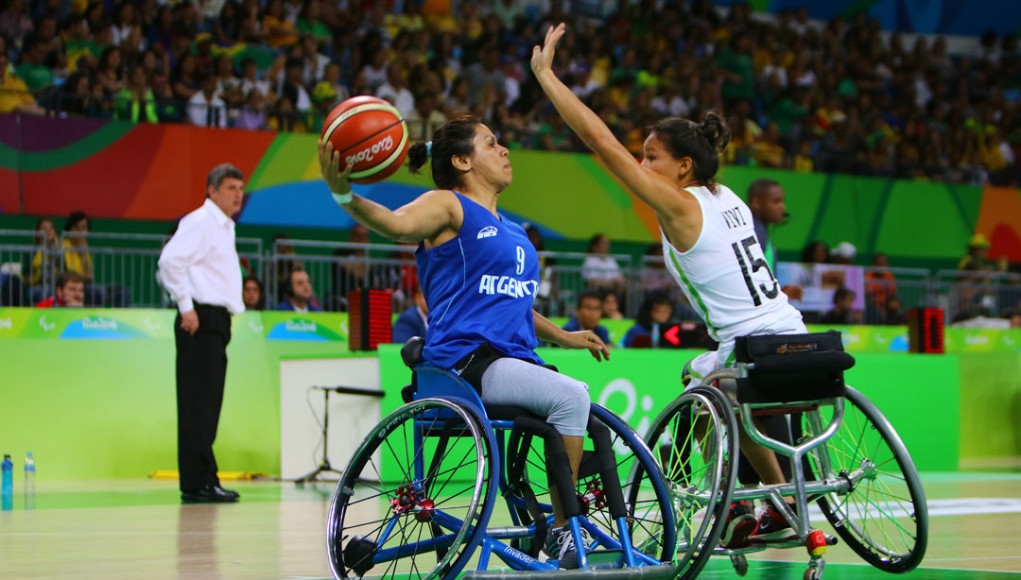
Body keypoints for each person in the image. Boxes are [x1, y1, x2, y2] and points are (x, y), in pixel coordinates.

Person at [532, 23, 807, 548]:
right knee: (697, 379)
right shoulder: (728, 197)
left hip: (752, 350)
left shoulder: (680, 205)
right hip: (793, 331)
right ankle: (742, 497)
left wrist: (546, 78)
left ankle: (775, 500)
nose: (640, 164)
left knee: (715, 388)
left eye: (650, 156)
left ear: (684, 167)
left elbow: (597, 140)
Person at [319, 116, 609, 567]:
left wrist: (565, 337)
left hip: (512, 362)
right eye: (491, 144)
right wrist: (343, 195)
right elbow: (396, 225)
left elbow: (516, 304)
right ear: (461, 160)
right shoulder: (449, 206)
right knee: (571, 397)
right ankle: (561, 532)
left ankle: (563, 519)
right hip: (464, 365)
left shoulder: (513, 230)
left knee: (583, 411)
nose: (505, 150)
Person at [157, 163, 246, 504]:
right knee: (199, 403)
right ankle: (198, 482)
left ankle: (203, 477)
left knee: (207, 403)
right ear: (212, 191)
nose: (238, 194)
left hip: (215, 319)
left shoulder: (223, 226)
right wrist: (186, 306)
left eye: (240, 188)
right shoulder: (200, 222)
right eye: (230, 188)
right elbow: (169, 262)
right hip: (201, 318)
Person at [746, 179, 787, 271]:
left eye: (782, 202)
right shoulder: (755, 232)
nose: (782, 207)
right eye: (776, 202)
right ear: (757, 203)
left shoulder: (758, 230)